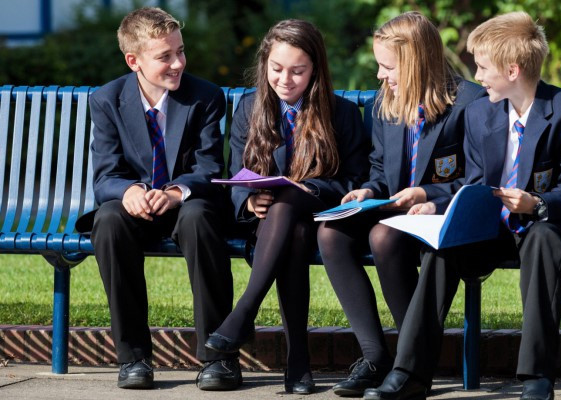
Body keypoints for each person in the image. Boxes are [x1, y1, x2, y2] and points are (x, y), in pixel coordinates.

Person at [364, 11, 561, 400]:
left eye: (482, 67)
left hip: (546, 225)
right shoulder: (482, 112)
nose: (477, 77)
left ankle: (537, 377)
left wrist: (536, 202)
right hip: (493, 229)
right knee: (443, 244)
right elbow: (474, 182)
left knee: (543, 239)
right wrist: (435, 202)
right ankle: (409, 373)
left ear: (512, 70)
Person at [316, 11, 484, 397]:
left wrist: (427, 195)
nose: (380, 75)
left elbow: (478, 178)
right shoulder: (386, 102)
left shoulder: (469, 102)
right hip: (394, 209)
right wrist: (366, 191)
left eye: (387, 66)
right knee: (331, 232)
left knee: (383, 236)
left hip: (437, 214)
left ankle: (413, 361)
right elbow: (380, 169)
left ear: (415, 62)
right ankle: (376, 357)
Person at [75, 7, 238, 391]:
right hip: (137, 207)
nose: (178, 63)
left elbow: (210, 167)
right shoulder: (107, 100)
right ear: (134, 61)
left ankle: (219, 357)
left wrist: (176, 192)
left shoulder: (205, 97)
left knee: (199, 218)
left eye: (180, 51)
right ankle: (133, 358)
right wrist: (129, 191)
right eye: (165, 56)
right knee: (108, 221)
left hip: (187, 203)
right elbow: (106, 175)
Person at [203, 19, 368, 395]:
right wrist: (250, 199)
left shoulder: (340, 113)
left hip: (323, 213)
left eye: (298, 71)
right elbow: (237, 174)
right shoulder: (250, 108)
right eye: (277, 68)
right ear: (265, 63)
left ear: (316, 69)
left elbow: (355, 180)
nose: (285, 80)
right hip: (270, 225)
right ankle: (297, 364)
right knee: (289, 225)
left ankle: (244, 313)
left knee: (291, 201)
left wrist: (308, 187)